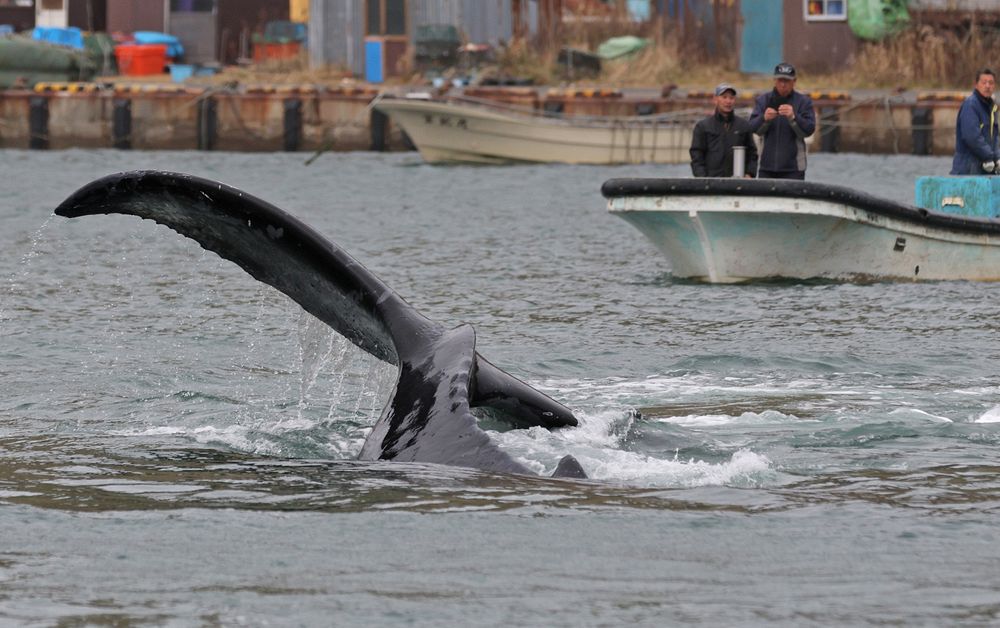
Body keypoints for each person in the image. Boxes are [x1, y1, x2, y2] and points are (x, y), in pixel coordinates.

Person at [748, 63, 816, 180]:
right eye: (780, 80)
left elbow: (809, 129)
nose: (783, 84)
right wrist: (764, 118)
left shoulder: (804, 101)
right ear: (774, 80)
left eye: (787, 81)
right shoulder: (763, 100)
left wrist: (794, 117)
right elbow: (751, 127)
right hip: (766, 168)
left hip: (794, 170)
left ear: (794, 81)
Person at [689, 83, 759, 178]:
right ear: (715, 99)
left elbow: (752, 154)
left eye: (731, 98)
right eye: (724, 97)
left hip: (738, 184)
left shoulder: (743, 125)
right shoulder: (702, 126)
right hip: (711, 184)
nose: (728, 101)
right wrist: (702, 178)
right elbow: (697, 156)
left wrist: (749, 174)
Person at [951, 68, 1000, 175]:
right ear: (976, 85)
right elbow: (971, 137)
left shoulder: (992, 108)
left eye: (991, 83)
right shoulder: (971, 105)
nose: (987, 86)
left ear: (994, 86)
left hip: (986, 167)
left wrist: (997, 158)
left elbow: (995, 137)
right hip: (967, 169)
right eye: (984, 82)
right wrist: (988, 156)